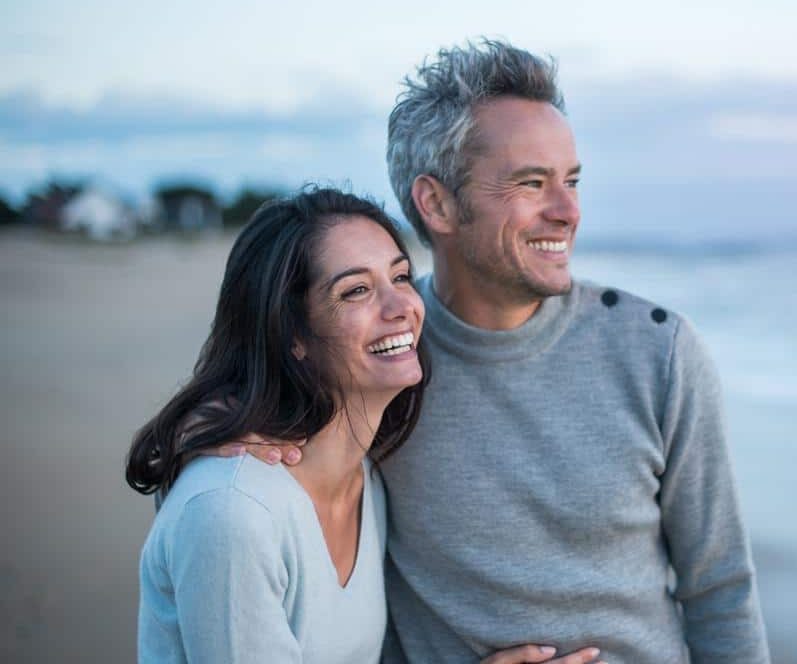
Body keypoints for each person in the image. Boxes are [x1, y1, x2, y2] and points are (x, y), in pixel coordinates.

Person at [242, 40, 769, 662]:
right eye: (531, 183)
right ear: (436, 203)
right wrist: (212, 439)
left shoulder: (660, 351)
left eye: (571, 181)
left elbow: (720, 592)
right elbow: (252, 464)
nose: (568, 211)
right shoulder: (377, 361)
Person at [127, 188, 602, 664]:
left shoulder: (367, 480)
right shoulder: (235, 514)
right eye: (355, 290)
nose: (403, 306)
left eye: (400, 276)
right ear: (291, 333)